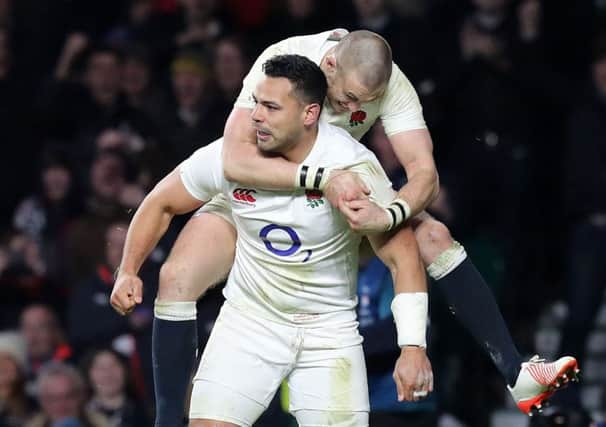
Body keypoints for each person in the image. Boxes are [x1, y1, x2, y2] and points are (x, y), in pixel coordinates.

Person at [110, 29, 578, 424]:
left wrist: (388, 214)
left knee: (431, 237)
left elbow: (425, 176)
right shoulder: (282, 70)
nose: (352, 109)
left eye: (363, 105)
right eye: (348, 98)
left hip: (334, 218)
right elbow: (234, 158)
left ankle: (516, 372)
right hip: (263, 193)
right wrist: (319, 179)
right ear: (328, 66)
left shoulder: (367, 137)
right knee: (174, 277)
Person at [113, 53, 433, 427]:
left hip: (327, 333)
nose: (256, 116)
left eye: (270, 107)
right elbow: (160, 202)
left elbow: (403, 257)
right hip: (250, 321)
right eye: (256, 103)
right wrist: (128, 269)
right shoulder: (233, 156)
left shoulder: (354, 167)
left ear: (309, 114)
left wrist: (412, 347)